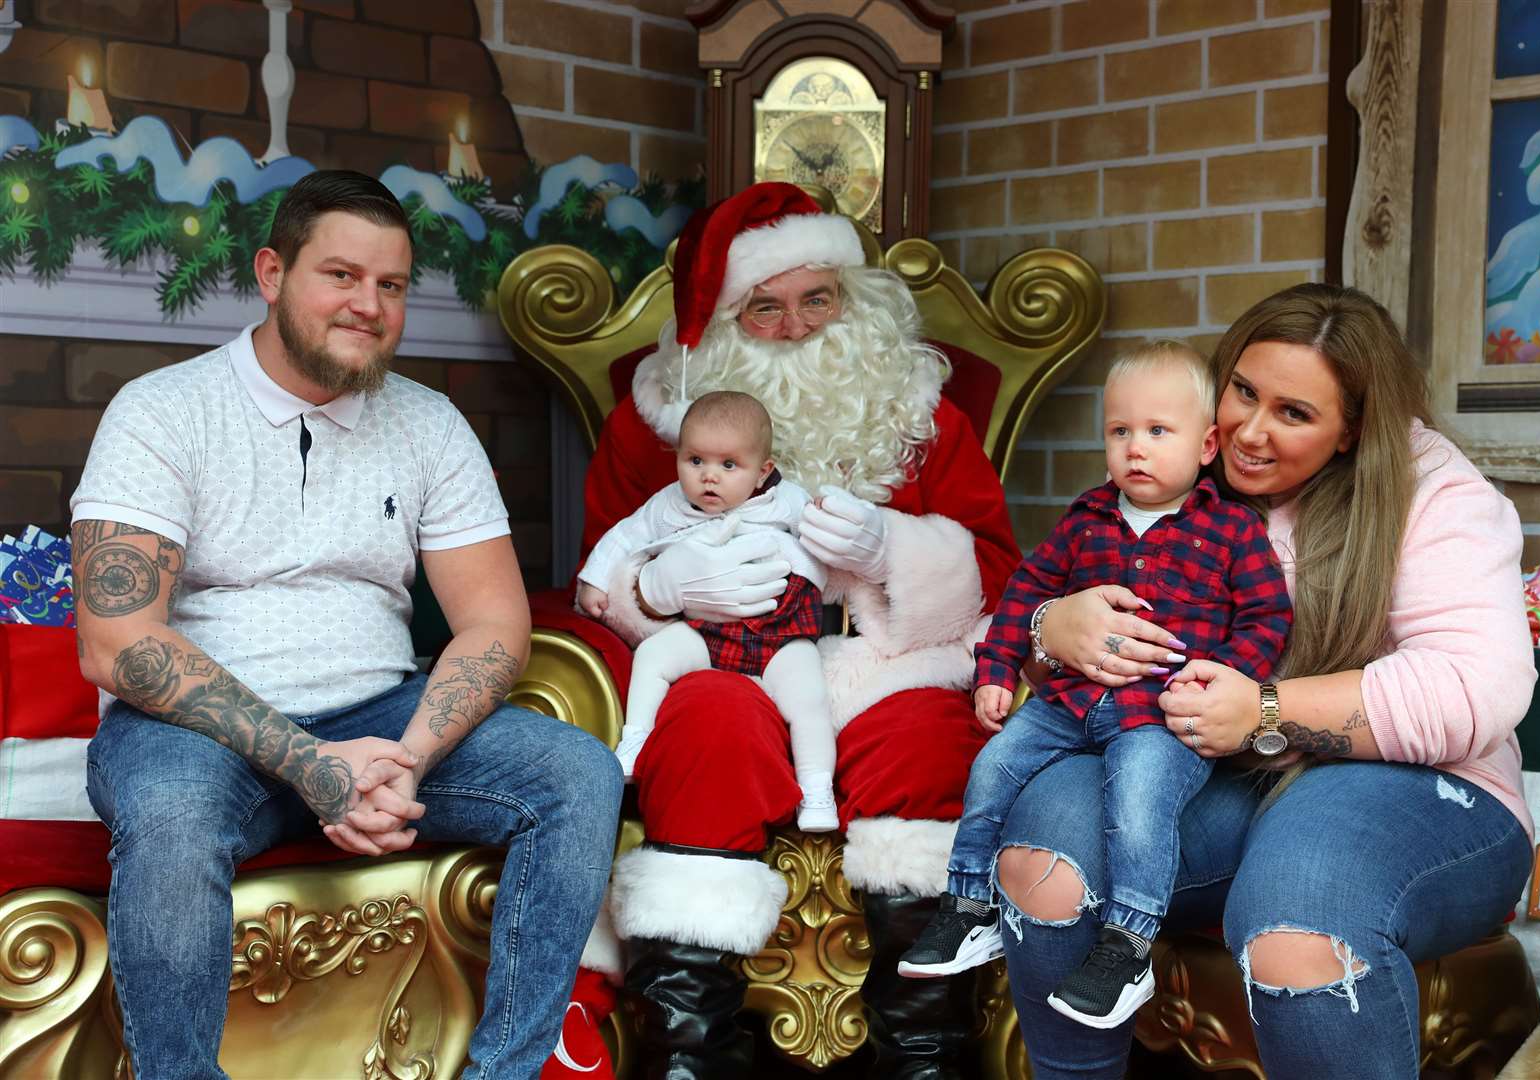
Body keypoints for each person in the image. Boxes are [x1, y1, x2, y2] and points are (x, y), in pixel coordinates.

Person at [70, 170, 623, 1079]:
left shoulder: (432, 425)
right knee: (167, 814)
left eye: (392, 285)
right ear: (272, 273)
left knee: (577, 772)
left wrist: (406, 754)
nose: (368, 305)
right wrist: (311, 766)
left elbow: (493, 623)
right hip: (198, 730)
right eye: (340, 275)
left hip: (381, 712)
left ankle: (506, 1072)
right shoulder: (163, 411)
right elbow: (118, 641)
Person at [990, 283, 1536, 1079]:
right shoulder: (1178, 466)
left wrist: (1263, 708)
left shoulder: (1435, 491)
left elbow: (1472, 687)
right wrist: (1054, 627)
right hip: (1223, 769)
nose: (1249, 429)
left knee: (1299, 921)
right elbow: (1041, 635)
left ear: (1351, 432)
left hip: (1417, 783)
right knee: (1042, 851)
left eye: (1294, 414)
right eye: (1243, 392)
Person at [579, 182, 1021, 1078]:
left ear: (851, 301)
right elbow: (596, 575)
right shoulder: (656, 422)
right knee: (706, 725)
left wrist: (894, 545)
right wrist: (657, 588)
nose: (796, 328)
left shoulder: (927, 416)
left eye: (818, 298)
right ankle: (691, 1054)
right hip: (725, 662)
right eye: (764, 307)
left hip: (883, 661)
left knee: (926, 742)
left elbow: (1003, 573)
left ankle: (924, 1051)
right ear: (724, 318)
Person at [897, 342, 1290, 1031]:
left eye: (1157, 432)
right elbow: (1028, 590)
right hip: (1072, 701)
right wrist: (995, 669)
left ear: (1206, 447)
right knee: (993, 765)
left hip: (1161, 718)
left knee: (1139, 802)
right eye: (1120, 431)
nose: (1136, 448)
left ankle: (1127, 945)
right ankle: (966, 910)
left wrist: (1222, 673)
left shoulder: (1230, 530)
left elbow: (1267, 616)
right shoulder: (1088, 516)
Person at [577, 389, 838, 830]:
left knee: (810, 701)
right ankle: (635, 741)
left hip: (779, 636)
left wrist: (835, 518)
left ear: (763, 472)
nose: (709, 478)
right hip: (707, 632)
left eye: (729, 465)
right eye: (695, 461)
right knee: (654, 656)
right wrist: (595, 578)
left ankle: (816, 791)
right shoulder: (668, 505)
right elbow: (625, 535)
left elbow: (826, 535)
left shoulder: (786, 501)